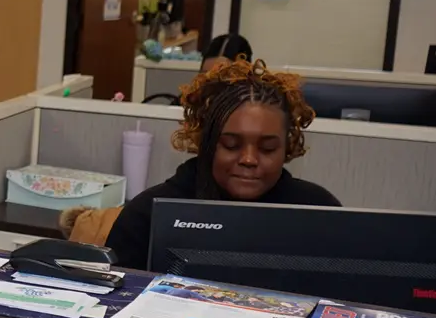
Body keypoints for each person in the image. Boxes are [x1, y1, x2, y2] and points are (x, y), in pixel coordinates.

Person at [105, 59, 340, 270]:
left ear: (287, 148)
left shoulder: (320, 214)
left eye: (267, 148)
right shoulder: (148, 214)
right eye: (230, 145)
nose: (249, 159)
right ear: (206, 143)